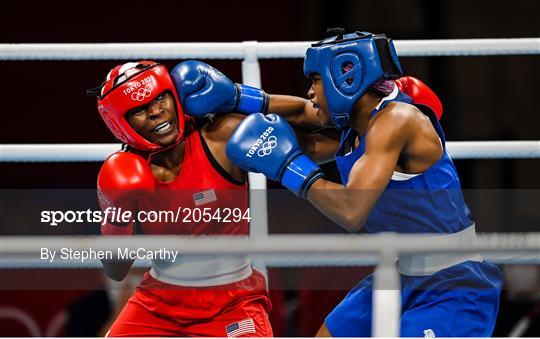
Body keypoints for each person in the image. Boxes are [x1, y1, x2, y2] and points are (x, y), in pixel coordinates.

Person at [174, 29, 503, 336]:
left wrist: (288, 165)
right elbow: (304, 114)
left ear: (346, 75)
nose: (310, 91)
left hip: (453, 281)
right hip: (402, 272)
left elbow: (351, 210)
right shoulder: (356, 129)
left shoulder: (396, 121)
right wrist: (234, 98)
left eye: (315, 80)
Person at [87, 60, 273, 336]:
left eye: (160, 97)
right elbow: (116, 271)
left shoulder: (218, 138)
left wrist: (241, 96)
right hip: (158, 303)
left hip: (232, 302)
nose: (156, 112)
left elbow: (311, 122)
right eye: (139, 109)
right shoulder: (124, 173)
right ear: (121, 123)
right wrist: (115, 219)